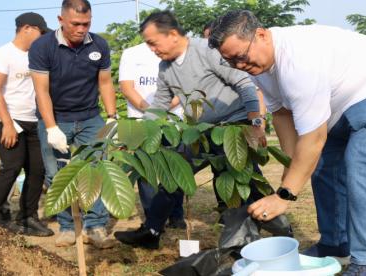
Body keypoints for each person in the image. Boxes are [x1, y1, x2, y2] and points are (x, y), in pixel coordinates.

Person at [209, 9, 366, 275]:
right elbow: (282, 115)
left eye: (240, 57)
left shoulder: (298, 60)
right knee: (321, 169)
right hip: (339, 107)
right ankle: (335, 244)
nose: (239, 66)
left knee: (363, 170)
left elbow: (313, 138)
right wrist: (289, 172)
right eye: (230, 61)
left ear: (260, 35)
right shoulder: (259, 67)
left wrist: (285, 195)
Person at [114, 10, 266, 250]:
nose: (152, 49)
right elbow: (159, 107)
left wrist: (256, 122)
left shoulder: (206, 50)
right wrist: (135, 136)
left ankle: (249, 242)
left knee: (243, 186)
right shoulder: (165, 68)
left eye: (153, 43)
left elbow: (244, 83)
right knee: (173, 176)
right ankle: (152, 232)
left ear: (173, 34)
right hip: (201, 131)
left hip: (233, 128)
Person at [29, 0, 117, 248]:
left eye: (86, 23)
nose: (81, 29)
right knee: (58, 175)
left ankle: (96, 226)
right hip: (56, 119)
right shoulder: (42, 47)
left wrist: (111, 118)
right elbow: (41, 91)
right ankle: (67, 227)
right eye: (75, 24)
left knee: (96, 171)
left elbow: (105, 83)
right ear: (61, 21)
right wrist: (51, 127)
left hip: (91, 118)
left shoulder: (99, 44)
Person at [0, 12, 53, 237]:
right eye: (41, 32)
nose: (43, 37)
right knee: (12, 166)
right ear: (26, 28)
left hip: (33, 119)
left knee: (37, 169)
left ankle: (27, 217)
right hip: (8, 119)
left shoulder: (36, 56)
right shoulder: (1, 55)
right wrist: (7, 124)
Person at [119, 42, 186, 229]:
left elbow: (183, 88)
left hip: (172, 122)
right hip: (140, 123)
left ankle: (176, 215)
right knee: (145, 171)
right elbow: (126, 88)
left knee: (174, 169)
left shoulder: (176, 50)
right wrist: (150, 111)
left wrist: (163, 108)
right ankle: (152, 217)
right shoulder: (131, 53)